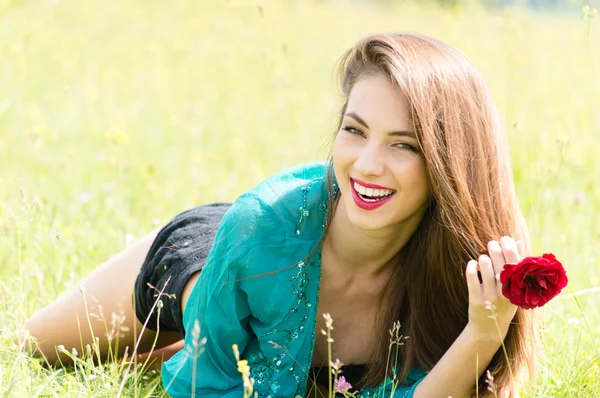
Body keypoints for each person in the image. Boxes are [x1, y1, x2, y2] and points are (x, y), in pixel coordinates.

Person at [18, 32, 538, 397]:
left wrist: (483, 333)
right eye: (354, 130)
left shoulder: (463, 276)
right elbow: (210, 386)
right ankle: (174, 336)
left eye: (403, 145)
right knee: (30, 351)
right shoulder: (258, 226)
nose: (368, 164)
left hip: (264, 292)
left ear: (450, 164)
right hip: (214, 259)